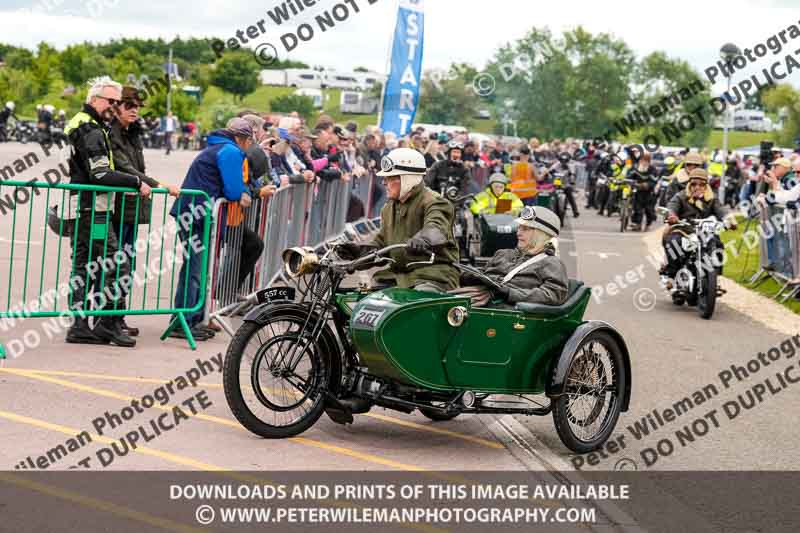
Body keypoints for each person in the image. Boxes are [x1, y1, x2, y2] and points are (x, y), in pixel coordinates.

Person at [64, 77, 152, 347]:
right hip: (95, 210)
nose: (114, 107)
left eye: (117, 102)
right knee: (118, 263)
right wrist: (136, 182)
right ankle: (108, 323)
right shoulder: (90, 129)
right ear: (94, 100)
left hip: (84, 206)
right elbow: (100, 173)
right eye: (111, 102)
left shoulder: (80, 122)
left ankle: (79, 325)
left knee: (84, 267)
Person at [168, 118, 255, 341]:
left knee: (200, 269)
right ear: (242, 139)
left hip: (199, 214)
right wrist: (244, 192)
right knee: (195, 269)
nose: (249, 147)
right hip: (197, 215)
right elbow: (235, 191)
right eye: (249, 141)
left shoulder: (221, 148)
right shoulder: (230, 151)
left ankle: (195, 317)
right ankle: (183, 321)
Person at [108, 86, 181, 337]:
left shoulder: (132, 134)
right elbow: (126, 168)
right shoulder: (112, 134)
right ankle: (110, 319)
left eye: (137, 106)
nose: (135, 110)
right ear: (115, 107)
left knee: (126, 264)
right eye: (129, 105)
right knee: (116, 265)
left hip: (131, 210)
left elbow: (135, 167)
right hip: (116, 210)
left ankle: (118, 316)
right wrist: (159, 185)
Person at [338, 147, 460, 292]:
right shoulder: (389, 208)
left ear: (407, 179)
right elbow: (381, 244)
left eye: (389, 178)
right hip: (400, 275)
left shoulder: (435, 202)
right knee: (359, 298)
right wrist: (359, 252)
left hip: (433, 275)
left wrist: (424, 239)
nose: (384, 183)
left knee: (417, 300)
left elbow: (437, 227)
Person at [450, 206, 568, 308]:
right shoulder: (503, 254)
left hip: (506, 313)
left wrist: (509, 292)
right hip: (475, 300)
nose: (518, 233)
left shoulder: (551, 263)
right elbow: (483, 273)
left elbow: (553, 295)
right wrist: (468, 275)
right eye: (519, 227)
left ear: (541, 234)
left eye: (525, 229)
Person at [660, 168, 734, 283]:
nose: (697, 187)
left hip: (705, 233)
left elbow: (721, 210)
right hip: (684, 231)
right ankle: (672, 274)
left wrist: (729, 219)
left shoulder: (712, 199)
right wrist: (672, 216)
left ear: (706, 186)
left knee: (717, 244)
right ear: (689, 184)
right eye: (694, 184)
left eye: (702, 184)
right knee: (673, 242)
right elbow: (672, 207)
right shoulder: (681, 196)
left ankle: (714, 278)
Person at [627, 151, 657, 231]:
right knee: (637, 208)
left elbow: (654, 180)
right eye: (641, 160)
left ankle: (648, 224)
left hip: (649, 193)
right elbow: (629, 176)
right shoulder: (635, 168)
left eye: (645, 161)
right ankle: (637, 224)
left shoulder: (652, 169)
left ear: (648, 161)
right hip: (637, 191)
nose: (643, 162)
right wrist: (630, 182)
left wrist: (646, 185)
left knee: (649, 210)